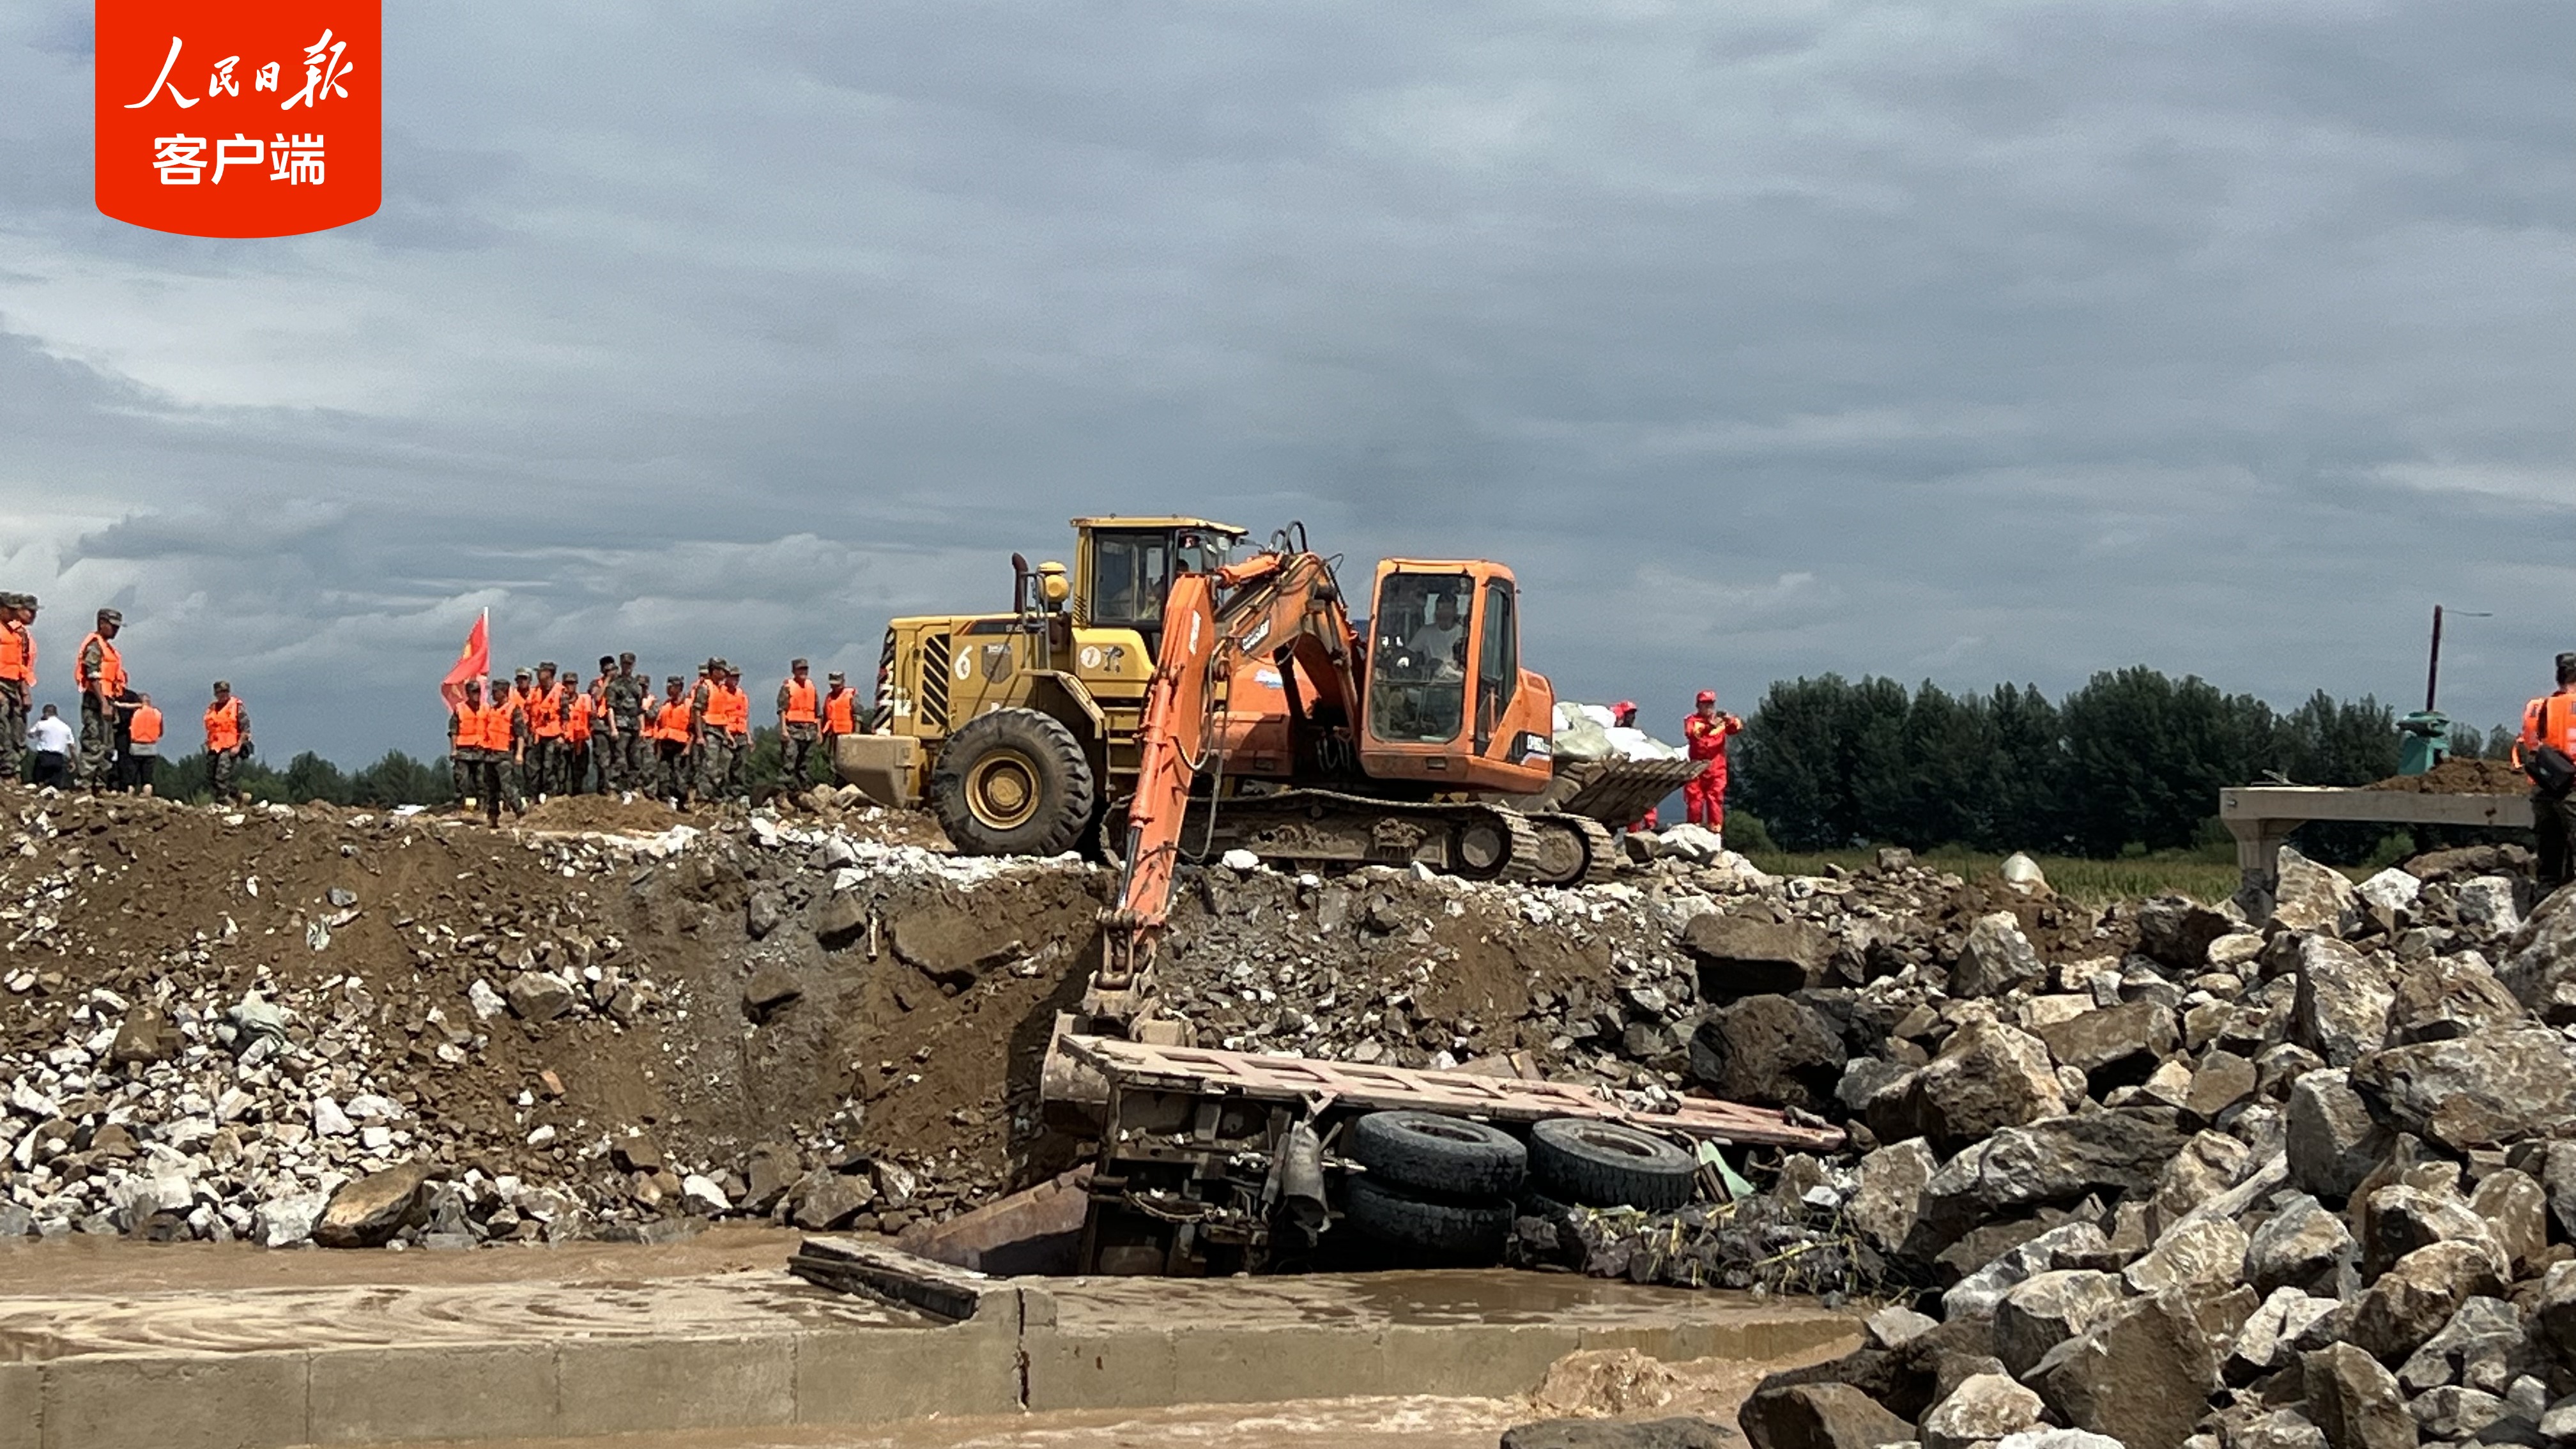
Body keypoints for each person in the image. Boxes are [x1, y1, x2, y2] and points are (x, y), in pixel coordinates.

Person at [2516, 652, 2576, 893]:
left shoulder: (2539, 708)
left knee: (2549, 862)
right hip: (2573, 791)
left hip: (2545, 788)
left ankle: (2543, 903)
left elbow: (2529, 745)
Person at [75, 608, 128, 789]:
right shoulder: (95, 646)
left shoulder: (108, 648)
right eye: (113, 626)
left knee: (107, 745)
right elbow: (93, 675)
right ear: (102, 623)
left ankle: (99, 785)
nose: (116, 630)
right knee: (93, 742)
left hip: (108, 699)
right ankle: (84, 784)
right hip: (96, 701)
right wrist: (104, 703)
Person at [1681, 690, 1744, 834]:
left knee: (1715, 798)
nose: (1709, 707)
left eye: (1711, 704)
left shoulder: (1721, 722)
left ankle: (1715, 829)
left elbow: (1738, 727)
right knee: (1694, 799)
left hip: (1717, 768)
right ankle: (1693, 828)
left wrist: (1728, 718)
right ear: (1698, 705)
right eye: (1705, 704)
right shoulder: (1692, 720)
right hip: (1696, 768)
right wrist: (1711, 725)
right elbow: (1693, 733)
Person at [696, 661, 751, 804]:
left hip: (726, 732)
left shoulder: (732, 693)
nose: (735, 679)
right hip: (711, 730)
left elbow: (739, 716)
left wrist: (743, 736)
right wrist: (700, 735)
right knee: (710, 766)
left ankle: (721, 796)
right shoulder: (708, 688)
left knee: (726, 766)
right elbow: (697, 711)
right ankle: (704, 798)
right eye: (731, 676)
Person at [0, 593, 34, 783]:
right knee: (2, 728)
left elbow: (20, 665)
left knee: (15, 730)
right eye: (10, 610)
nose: (14, 614)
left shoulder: (14, 634)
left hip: (12, 685)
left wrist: (24, 691)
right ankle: (6, 772)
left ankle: (13, 770)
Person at [203, 680, 252, 802]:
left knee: (221, 776)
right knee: (212, 778)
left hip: (231, 747)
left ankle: (225, 802)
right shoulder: (212, 708)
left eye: (225, 692)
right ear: (216, 693)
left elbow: (246, 728)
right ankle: (239, 796)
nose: (223, 694)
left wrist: (238, 746)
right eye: (220, 692)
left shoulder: (236, 706)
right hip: (214, 747)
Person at [524, 662, 565, 799]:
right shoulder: (534, 692)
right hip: (537, 735)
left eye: (541, 672)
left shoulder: (560, 692)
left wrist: (563, 735)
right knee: (533, 768)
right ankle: (533, 797)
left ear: (549, 675)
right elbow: (528, 713)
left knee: (550, 767)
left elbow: (566, 716)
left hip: (554, 735)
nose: (538, 675)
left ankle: (551, 796)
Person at [777, 658, 820, 790]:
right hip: (793, 729)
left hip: (810, 731)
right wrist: (784, 730)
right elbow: (782, 709)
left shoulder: (811, 686)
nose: (803, 672)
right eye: (800, 669)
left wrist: (819, 732)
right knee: (790, 761)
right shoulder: (788, 687)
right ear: (794, 671)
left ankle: (805, 788)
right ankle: (786, 790)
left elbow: (818, 712)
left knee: (806, 762)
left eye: (805, 669)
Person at [653, 675, 694, 806]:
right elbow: (659, 726)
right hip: (666, 744)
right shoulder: (665, 705)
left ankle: (682, 801)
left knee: (680, 776)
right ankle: (666, 798)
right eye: (668, 687)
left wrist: (688, 748)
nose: (669, 690)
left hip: (681, 745)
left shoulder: (689, 705)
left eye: (672, 687)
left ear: (679, 688)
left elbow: (693, 729)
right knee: (664, 774)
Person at [1404, 594, 1466, 674]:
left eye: (1447, 610)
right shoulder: (1426, 631)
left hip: (1458, 679)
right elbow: (1409, 653)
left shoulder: (1463, 633)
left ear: (1455, 612)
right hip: (1431, 679)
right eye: (1440, 610)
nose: (1443, 614)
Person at [25, 704, 75, 790]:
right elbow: (72, 746)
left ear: (46, 713)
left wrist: (40, 723)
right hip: (58, 758)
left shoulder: (41, 724)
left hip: (44, 757)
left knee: (38, 784)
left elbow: (30, 734)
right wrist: (72, 760)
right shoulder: (66, 727)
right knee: (54, 786)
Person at [563, 673, 597, 795]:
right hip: (565, 741)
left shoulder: (584, 700)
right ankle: (562, 794)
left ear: (576, 685)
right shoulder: (560, 702)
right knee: (562, 770)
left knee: (581, 769)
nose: (569, 686)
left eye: (572, 683)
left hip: (581, 740)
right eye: (567, 683)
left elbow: (592, 718)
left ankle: (578, 792)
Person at [125, 692, 163, 794]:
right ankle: (147, 796)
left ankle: (130, 796)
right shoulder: (157, 713)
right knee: (147, 778)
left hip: (136, 746)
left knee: (132, 776)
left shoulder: (135, 712)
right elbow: (161, 732)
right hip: (151, 747)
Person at [820, 669, 858, 765]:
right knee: (832, 760)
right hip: (833, 734)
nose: (835, 687)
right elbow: (825, 718)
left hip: (847, 734)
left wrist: (857, 734)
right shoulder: (829, 697)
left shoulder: (851, 694)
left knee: (846, 760)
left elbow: (858, 715)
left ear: (843, 682)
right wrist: (822, 736)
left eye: (837, 685)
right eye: (833, 685)